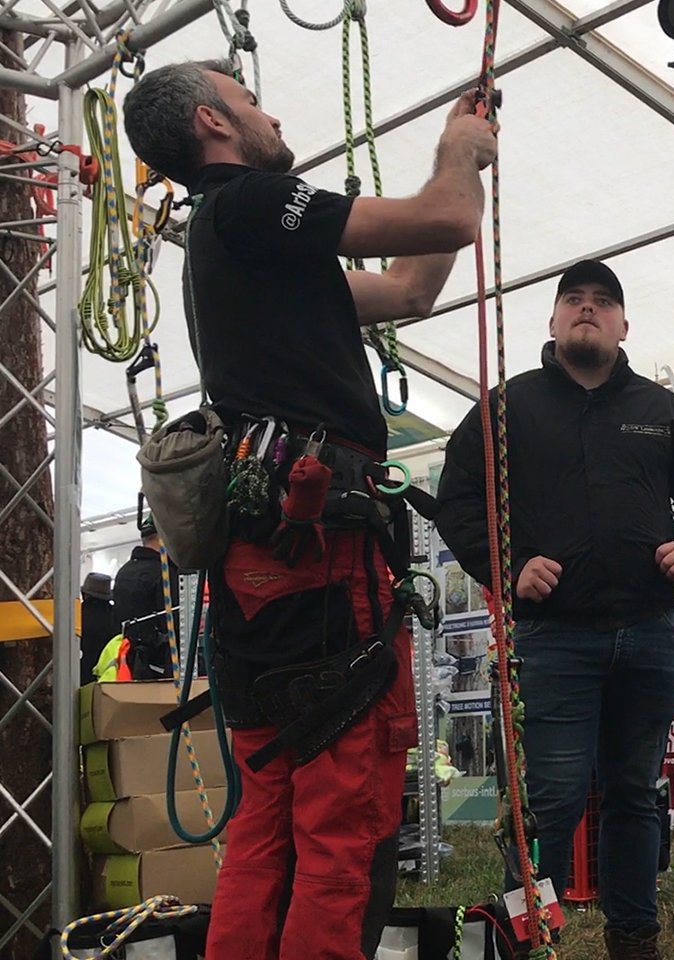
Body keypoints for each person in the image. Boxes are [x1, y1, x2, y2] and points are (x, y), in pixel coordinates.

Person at [124, 60, 495, 960]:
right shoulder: (250, 205)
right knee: (341, 824)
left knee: (268, 824)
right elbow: (447, 220)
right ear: (213, 121)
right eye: (250, 101)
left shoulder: (233, 250)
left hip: (264, 566)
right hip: (319, 558)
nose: (272, 116)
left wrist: (463, 159)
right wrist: (458, 153)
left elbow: (411, 289)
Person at [435, 260, 674, 960]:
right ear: (553, 320)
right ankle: (526, 942)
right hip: (553, 639)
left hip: (649, 633)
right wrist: (508, 568)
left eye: (603, 301)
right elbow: (458, 500)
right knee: (550, 803)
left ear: (625, 325)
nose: (588, 309)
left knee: (636, 793)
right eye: (574, 299)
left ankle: (634, 940)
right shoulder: (507, 408)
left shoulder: (662, 411)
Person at [112, 517, 178, 680]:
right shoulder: (163, 573)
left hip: (128, 659)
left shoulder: (124, 571)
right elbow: (172, 622)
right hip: (160, 664)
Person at [79, 572, 118, 685]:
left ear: (85, 594)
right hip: (108, 677)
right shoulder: (116, 616)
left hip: (80, 674)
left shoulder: (77, 613)